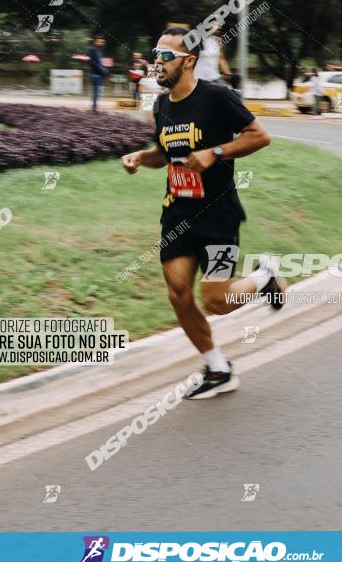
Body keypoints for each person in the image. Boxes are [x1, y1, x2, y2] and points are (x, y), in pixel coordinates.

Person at [121, 26, 286, 400]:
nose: (156, 63)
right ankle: (218, 368)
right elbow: (164, 154)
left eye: (166, 57)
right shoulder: (161, 106)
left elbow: (260, 135)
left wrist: (216, 153)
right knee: (178, 294)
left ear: (189, 60)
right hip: (177, 213)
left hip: (217, 215)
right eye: (155, 54)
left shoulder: (217, 98)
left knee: (217, 300)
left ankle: (264, 280)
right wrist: (139, 158)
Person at [87, 36, 107, 112]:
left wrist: (104, 69)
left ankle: (94, 107)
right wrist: (102, 70)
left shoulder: (99, 51)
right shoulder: (92, 50)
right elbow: (92, 63)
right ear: (95, 42)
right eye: (100, 41)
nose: (101, 43)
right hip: (95, 74)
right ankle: (94, 108)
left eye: (102, 42)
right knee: (96, 91)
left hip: (99, 74)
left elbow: (100, 63)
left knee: (98, 92)